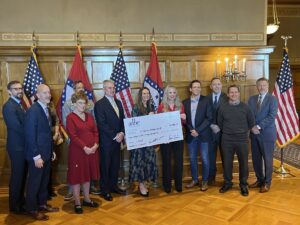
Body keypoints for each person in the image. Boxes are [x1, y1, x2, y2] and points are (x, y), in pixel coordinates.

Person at [24, 84, 59, 220]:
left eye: (49, 92)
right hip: (37, 155)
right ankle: (32, 209)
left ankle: (42, 204)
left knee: (44, 181)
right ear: (37, 95)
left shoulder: (46, 108)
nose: (48, 95)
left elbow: (46, 134)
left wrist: (52, 150)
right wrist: (36, 156)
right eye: (44, 93)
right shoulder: (33, 111)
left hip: (46, 153)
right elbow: (30, 135)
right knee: (35, 182)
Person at [62, 80, 98, 201]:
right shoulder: (70, 117)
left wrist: (95, 145)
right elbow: (72, 135)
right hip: (78, 150)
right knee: (77, 176)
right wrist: (85, 148)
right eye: (80, 103)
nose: (82, 105)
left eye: (84, 103)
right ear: (75, 103)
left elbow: (95, 131)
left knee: (87, 175)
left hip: (91, 150)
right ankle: (77, 202)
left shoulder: (89, 116)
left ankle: (87, 199)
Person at [217, 85, 255, 197]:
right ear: (228, 94)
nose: (234, 94)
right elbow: (219, 123)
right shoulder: (222, 107)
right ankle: (228, 183)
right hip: (227, 139)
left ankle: (243, 184)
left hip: (242, 139)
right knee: (227, 163)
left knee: (243, 163)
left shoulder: (246, 107)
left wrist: (241, 131)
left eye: (236, 92)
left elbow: (251, 122)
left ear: (239, 93)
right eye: (231, 92)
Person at [94, 80, 126, 201]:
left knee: (115, 165)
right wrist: (116, 135)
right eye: (109, 88)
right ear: (104, 89)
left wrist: (122, 133)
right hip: (107, 142)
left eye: (113, 88)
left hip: (118, 141)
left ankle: (113, 186)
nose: (112, 90)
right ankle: (105, 190)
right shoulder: (99, 104)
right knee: (105, 166)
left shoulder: (118, 102)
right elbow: (102, 124)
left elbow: (122, 120)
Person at [248, 78, 278, 193]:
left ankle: (267, 182)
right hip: (254, 135)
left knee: (268, 159)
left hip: (266, 134)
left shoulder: (272, 99)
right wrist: (252, 127)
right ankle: (259, 180)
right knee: (256, 160)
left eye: (264, 85)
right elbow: (248, 115)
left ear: (267, 86)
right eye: (259, 85)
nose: (261, 87)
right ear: (257, 86)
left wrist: (258, 127)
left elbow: (271, 116)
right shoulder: (252, 99)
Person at [2, 81, 27, 214]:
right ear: (9, 91)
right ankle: (14, 206)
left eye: (20, 88)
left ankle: (21, 201)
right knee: (17, 176)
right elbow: (16, 127)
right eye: (16, 89)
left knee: (22, 175)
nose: (19, 91)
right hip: (17, 147)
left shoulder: (20, 104)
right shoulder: (8, 106)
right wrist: (31, 133)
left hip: (23, 146)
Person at [129, 87, 158, 197]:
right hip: (139, 142)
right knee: (140, 163)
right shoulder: (136, 107)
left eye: (147, 93)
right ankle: (141, 185)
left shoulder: (151, 106)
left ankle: (145, 183)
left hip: (149, 141)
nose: (146, 95)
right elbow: (135, 123)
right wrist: (147, 117)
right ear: (140, 95)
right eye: (144, 93)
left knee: (148, 162)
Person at [183, 80, 212, 191]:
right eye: (194, 87)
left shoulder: (206, 101)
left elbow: (209, 118)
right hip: (191, 135)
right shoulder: (185, 102)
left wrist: (198, 130)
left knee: (205, 158)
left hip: (204, 135)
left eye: (199, 87)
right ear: (190, 89)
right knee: (192, 158)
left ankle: (205, 181)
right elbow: (184, 120)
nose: (197, 89)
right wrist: (192, 130)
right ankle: (194, 179)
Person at [157, 85, 186, 193]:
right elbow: (158, 122)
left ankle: (178, 184)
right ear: (166, 94)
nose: (172, 94)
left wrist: (184, 118)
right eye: (170, 92)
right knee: (166, 161)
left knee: (179, 160)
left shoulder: (180, 105)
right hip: (165, 138)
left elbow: (183, 123)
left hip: (178, 137)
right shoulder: (161, 106)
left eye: (174, 92)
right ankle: (167, 185)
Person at [207, 77, 228, 184]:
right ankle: (211, 178)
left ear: (221, 86)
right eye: (214, 84)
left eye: (218, 84)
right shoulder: (206, 98)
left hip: (223, 132)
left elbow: (229, 115)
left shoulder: (227, 97)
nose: (216, 86)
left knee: (226, 156)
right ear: (211, 87)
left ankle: (227, 179)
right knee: (211, 156)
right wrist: (211, 125)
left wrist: (220, 126)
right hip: (210, 132)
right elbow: (204, 115)